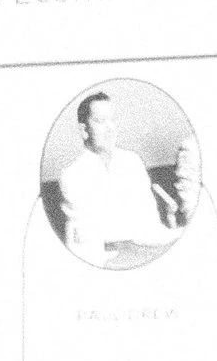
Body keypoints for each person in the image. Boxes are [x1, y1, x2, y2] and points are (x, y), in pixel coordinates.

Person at [57, 91, 174, 262]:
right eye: (101, 121)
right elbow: (86, 239)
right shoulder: (72, 175)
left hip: (148, 244)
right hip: (104, 257)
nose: (110, 127)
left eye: (112, 120)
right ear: (84, 130)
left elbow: (149, 220)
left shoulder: (132, 161)